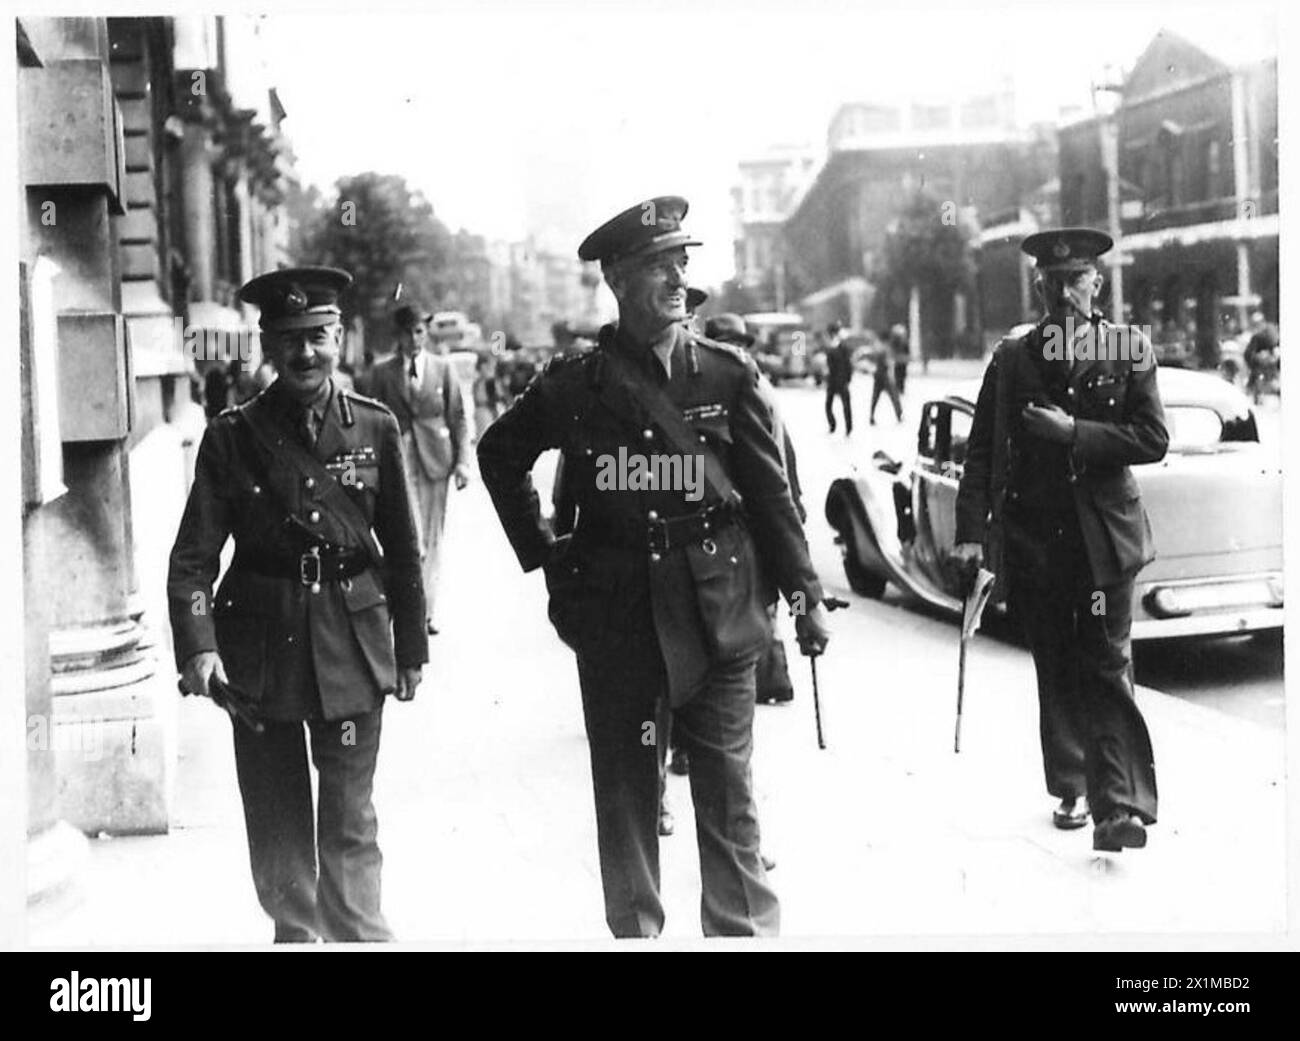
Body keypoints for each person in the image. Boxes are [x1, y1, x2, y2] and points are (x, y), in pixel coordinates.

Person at [478, 196, 830, 937]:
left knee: (729, 792)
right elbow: (498, 454)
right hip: (621, 617)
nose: (677, 277)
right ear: (616, 278)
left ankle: (741, 931)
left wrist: (806, 591)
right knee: (628, 792)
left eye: (682, 262)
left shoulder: (729, 376)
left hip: (723, 612)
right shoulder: (575, 385)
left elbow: (771, 495)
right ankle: (636, 932)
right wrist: (542, 548)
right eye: (658, 265)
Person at [166, 266, 427, 942]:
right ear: (267, 345)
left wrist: (412, 652)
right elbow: (194, 556)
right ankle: (297, 930)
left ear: (338, 335)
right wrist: (199, 646)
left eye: (316, 335)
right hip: (260, 647)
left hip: (354, 641)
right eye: (288, 339)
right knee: (278, 816)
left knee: (348, 816)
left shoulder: (375, 427)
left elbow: (402, 548)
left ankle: (359, 932)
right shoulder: (232, 436)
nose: (304, 353)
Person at [953, 228, 1167, 853]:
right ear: (1041, 288)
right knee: (1056, 664)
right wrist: (971, 536)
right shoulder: (1014, 358)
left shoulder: (1126, 348)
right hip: (1039, 542)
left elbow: (1152, 438)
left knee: (1105, 663)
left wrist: (1075, 431)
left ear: (1097, 283)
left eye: (1079, 279)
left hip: (1105, 540)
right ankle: (1070, 784)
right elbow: (982, 453)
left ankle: (1118, 804)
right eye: (1056, 283)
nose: (1069, 293)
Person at [366, 304, 472, 635]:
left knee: (432, 537)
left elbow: (458, 417)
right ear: (397, 336)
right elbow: (370, 422)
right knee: (409, 538)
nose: (414, 339)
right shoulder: (382, 374)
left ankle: (425, 610)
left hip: (435, 460)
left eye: (419, 332)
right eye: (407, 333)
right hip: (397, 460)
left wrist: (463, 462)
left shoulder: (443, 370)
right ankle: (409, 604)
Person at [823, 321, 854, 434]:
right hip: (833, 380)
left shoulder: (842, 346)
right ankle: (834, 425)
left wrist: (848, 378)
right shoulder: (830, 346)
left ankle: (847, 427)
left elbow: (848, 364)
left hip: (840, 380)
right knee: (829, 405)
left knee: (845, 405)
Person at [869, 332, 903, 425]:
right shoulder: (887, 349)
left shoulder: (877, 348)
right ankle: (899, 415)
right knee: (894, 396)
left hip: (877, 375)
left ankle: (871, 416)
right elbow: (889, 363)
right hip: (885, 375)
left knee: (875, 397)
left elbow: (873, 362)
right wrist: (892, 376)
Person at [888, 323, 910, 397]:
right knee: (901, 375)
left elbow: (894, 349)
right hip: (901, 361)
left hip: (899, 360)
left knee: (899, 375)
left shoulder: (897, 342)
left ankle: (899, 388)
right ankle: (900, 388)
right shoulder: (902, 342)